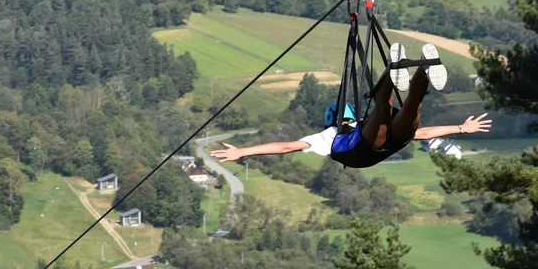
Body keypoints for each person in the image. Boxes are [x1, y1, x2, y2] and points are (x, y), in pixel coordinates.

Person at [210, 43, 493, 169]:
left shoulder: (327, 135)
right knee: (387, 112)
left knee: (410, 110)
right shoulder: (325, 138)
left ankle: (424, 69)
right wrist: (244, 151)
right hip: (362, 149)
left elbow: (423, 132)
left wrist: (461, 128)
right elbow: (285, 146)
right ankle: (396, 75)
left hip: (375, 147)